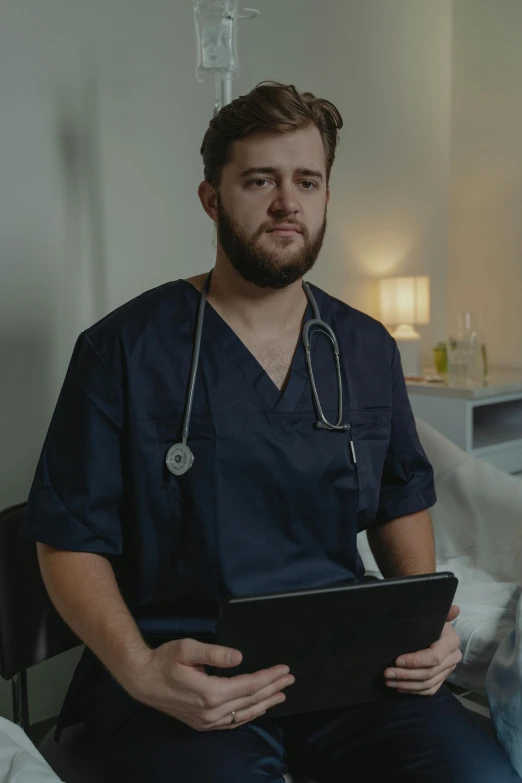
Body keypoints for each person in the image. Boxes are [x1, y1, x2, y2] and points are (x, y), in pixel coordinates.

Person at [21, 81, 520, 782]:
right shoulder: (124, 350)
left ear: (324, 197)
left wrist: (426, 626)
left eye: (307, 180)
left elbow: (400, 495)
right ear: (212, 199)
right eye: (260, 179)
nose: (288, 201)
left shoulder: (365, 347)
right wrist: (139, 670)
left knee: (481, 776)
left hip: (349, 665)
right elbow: (66, 537)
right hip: (185, 668)